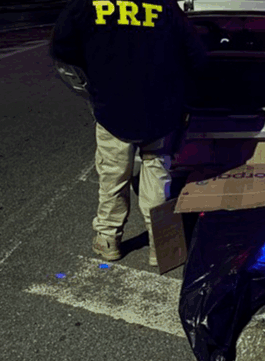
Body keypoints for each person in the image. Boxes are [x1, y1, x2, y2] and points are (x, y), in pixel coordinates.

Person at [50, 0, 207, 266]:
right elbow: (196, 56)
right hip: (160, 109)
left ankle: (108, 240)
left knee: (113, 175)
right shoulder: (166, 5)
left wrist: (95, 75)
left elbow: (62, 50)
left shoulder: (86, 4)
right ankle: (161, 246)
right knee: (157, 175)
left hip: (113, 108)